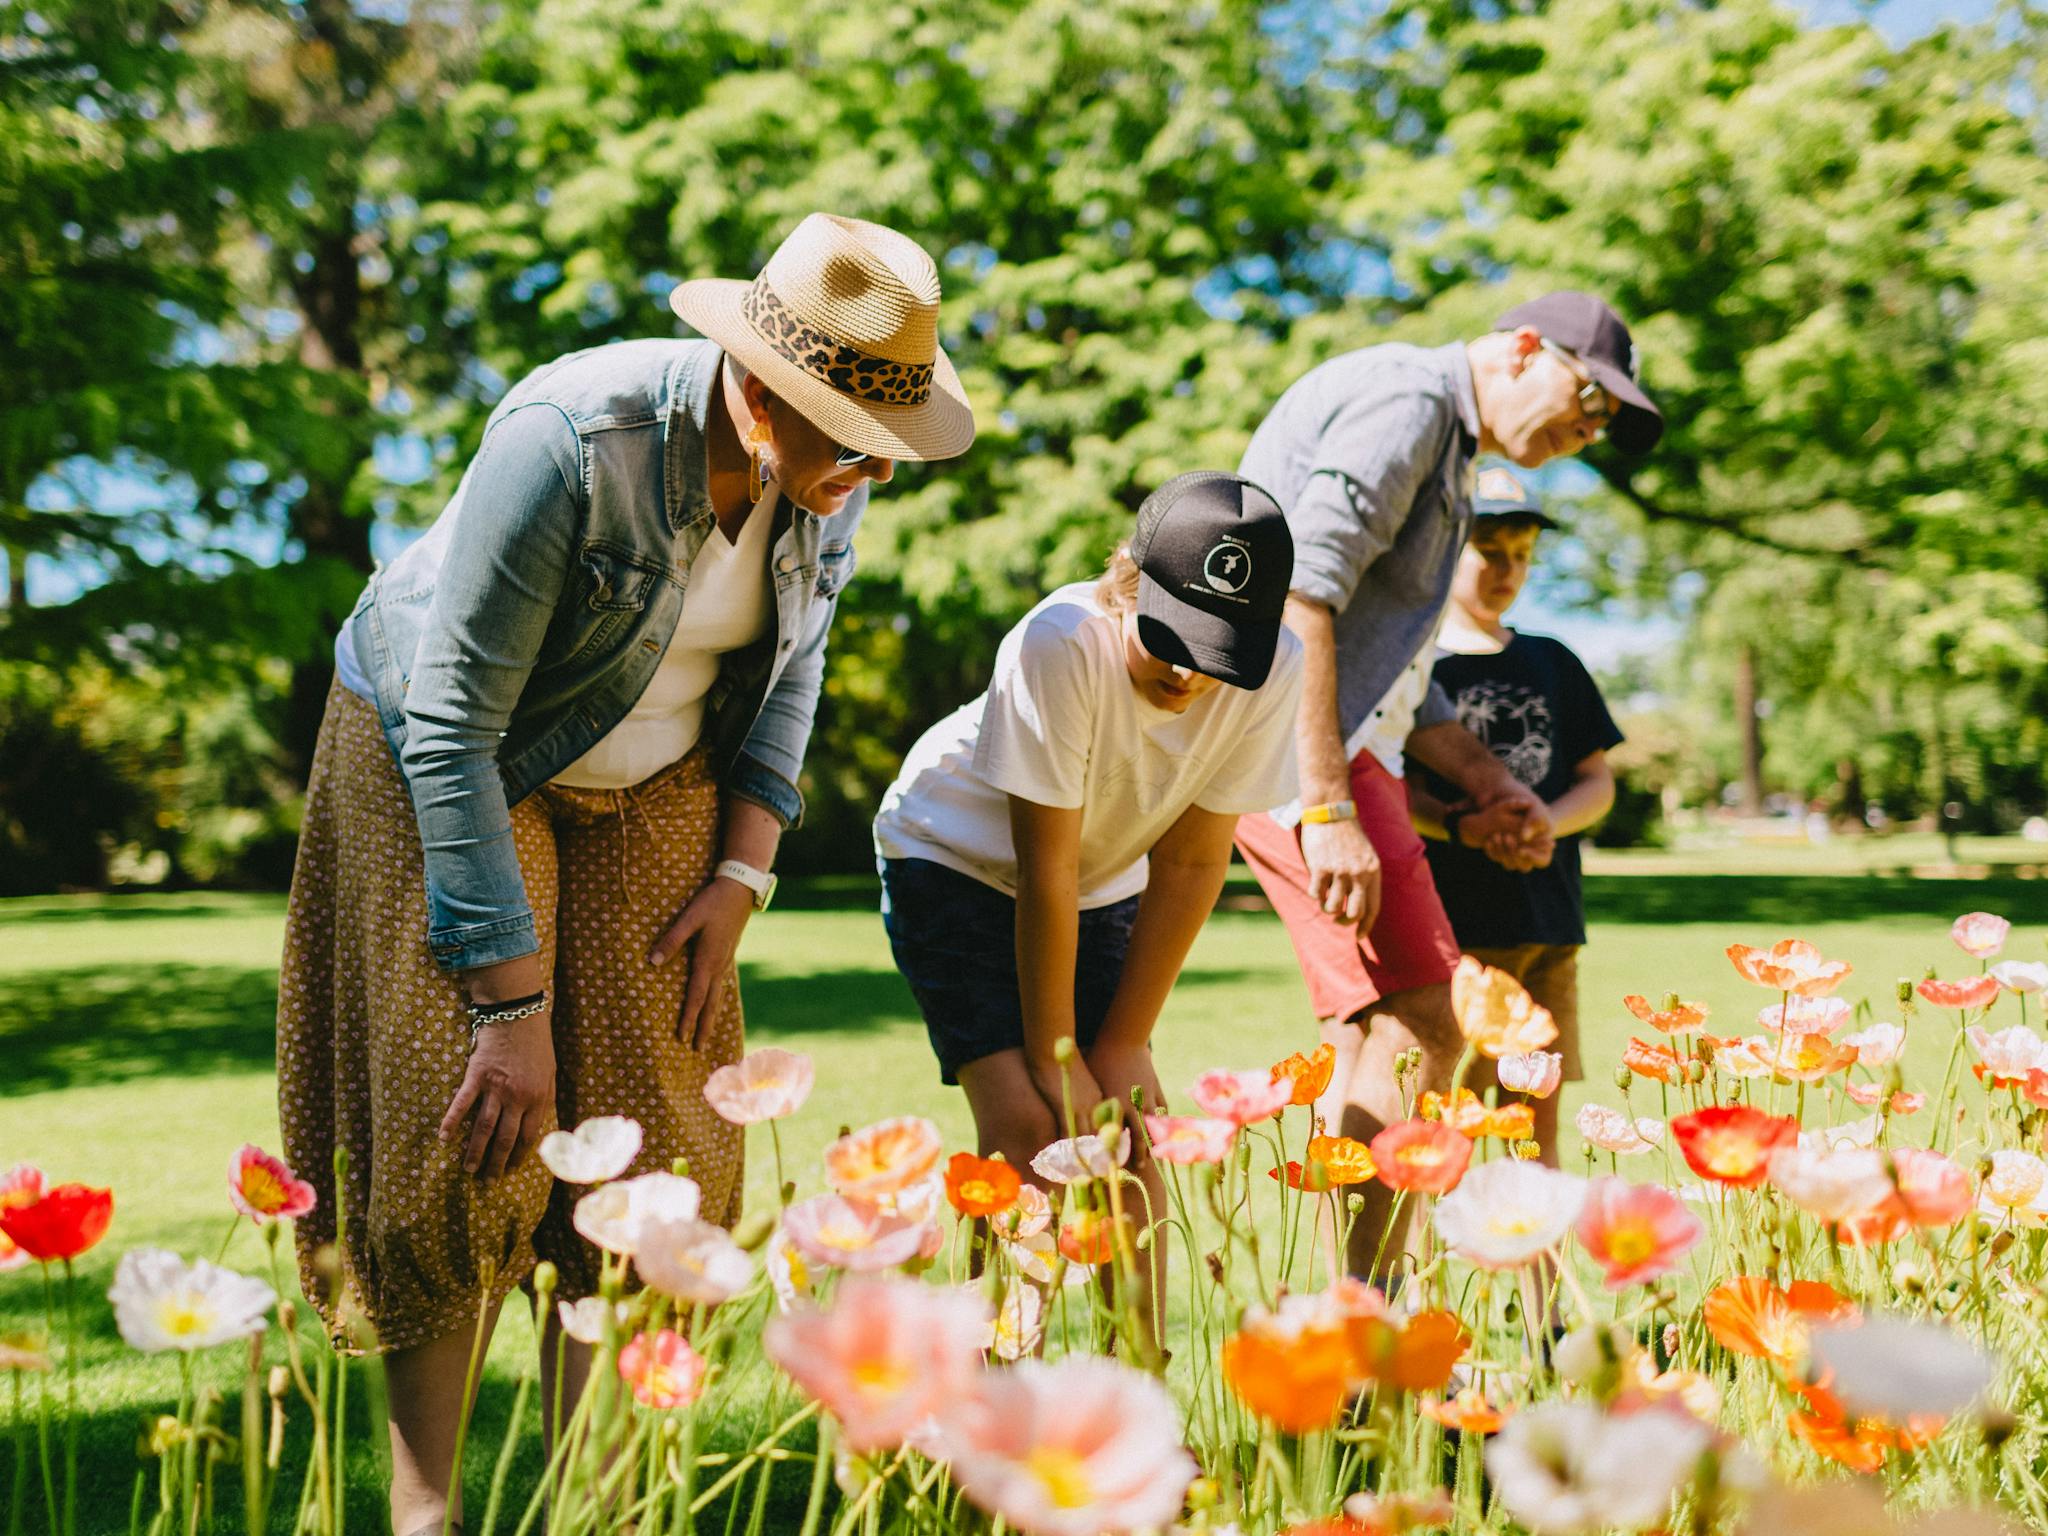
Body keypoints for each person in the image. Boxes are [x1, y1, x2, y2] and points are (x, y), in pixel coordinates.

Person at [276, 213, 976, 1536]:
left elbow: (795, 668)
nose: (869, 477)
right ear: (759, 391)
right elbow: (455, 726)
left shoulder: (835, 481)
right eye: (845, 438)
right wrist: (509, 1006)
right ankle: (429, 1513)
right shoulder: (569, 439)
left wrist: (744, 875)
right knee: (472, 1119)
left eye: (887, 451)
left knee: (667, 1120)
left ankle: (595, 1507)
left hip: (659, 773)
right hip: (446, 742)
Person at [1230, 291, 1662, 1280]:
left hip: (1339, 750)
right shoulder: (1410, 403)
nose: (1583, 433)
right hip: (1297, 755)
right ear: (1521, 349)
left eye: (1599, 424)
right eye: (1586, 401)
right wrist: (1328, 805)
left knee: (1384, 1032)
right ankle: (1374, 1330)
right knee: (1427, 1017)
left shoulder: (1451, 451)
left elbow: (1406, 697)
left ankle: (1356, 1331)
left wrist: (1491, 785)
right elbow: (1299, 594)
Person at [873, 472, 1303, 1345]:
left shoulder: (1275, 667)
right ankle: (982, 1405)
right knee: (1032, 1133)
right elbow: (1045, 869)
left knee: (1133, 1141)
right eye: (1173, 636)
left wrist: (1122, 1043)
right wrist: (1056, 1054)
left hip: (1102, 880)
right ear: (1125, 581)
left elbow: (1189, 860)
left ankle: (1130, 1402)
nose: (1189, 670)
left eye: (1216, 650)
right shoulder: (1060, 640)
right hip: (950, 857)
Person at [1406, 468, 1624, 1166]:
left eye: (1523, 554)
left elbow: (1597, 780)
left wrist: (1542, 826)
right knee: (1447, 1127)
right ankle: (1442, 1269)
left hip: (1545, 924)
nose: (1509, 568)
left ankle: (1544, 1277)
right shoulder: (1415, 668)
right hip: (1452, 932)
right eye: (1489, 549)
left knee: (1536, 1130)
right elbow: (1390, 790)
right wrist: (1461, 826)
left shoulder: (1553, 661)